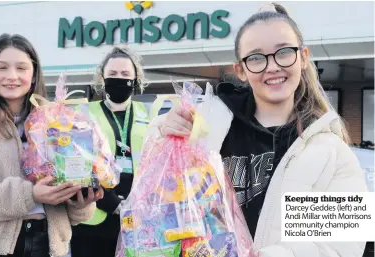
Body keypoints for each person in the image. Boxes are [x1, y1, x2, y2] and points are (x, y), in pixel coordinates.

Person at [149, 3, 368, 257]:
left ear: (303, 57)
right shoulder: (208, 125)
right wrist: (164, 129)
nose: (272, 66)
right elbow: (160, 190)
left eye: (284, 52)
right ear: (240, 70)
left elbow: (339, 247)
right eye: (255, 57)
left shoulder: (330, 154)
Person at [0, 33, 101, 257]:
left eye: (22, 68)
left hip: (49, 246)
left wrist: (80, 200)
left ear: (34, 75)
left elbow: (74, 212)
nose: (12, 76)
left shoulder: (57, 123)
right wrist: (31, 194)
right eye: (2, 68)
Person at [71, 47, 150, 257]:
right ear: (102, 77)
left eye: (125, 74)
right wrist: (110, 202)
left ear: (135, 78)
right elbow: (76, 164)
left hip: (138, 217)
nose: (119, 79)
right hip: (94, 216)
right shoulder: (83, 114)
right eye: (113, 74)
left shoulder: (148, 116)